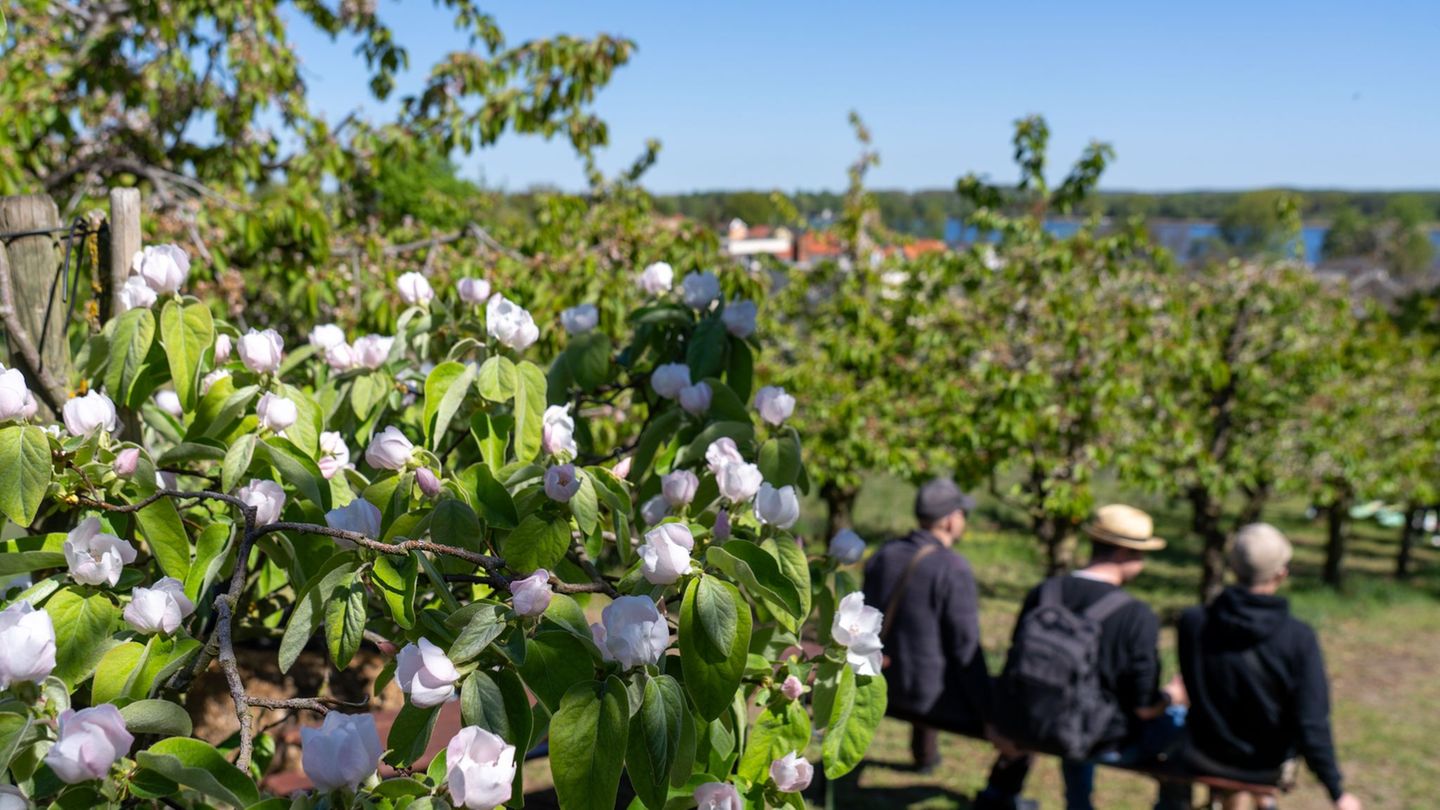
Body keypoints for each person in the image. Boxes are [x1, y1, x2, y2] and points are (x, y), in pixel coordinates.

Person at [977, 504, 1188, 810]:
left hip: (1029, 721)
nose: (1143, 563)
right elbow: (1143, 708)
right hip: (1096, 738)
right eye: (1141, 554)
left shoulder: (1045, 592)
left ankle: (1063, 802)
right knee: (1180, 722)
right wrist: (1172, 695)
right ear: (1122, 553)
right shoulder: (1136, 615)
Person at [1176, 523, 1363, 810]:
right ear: (1281, 574)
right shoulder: (1297, 638)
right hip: (1262, 765)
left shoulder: (1193, 622)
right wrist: (1337, 791)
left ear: (1232, 568)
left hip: (1203, 753)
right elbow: (1311, 723)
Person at [861, 477, 991, 773]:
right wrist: (988, 707)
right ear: (949, 520)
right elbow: (965, 646)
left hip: (881, 680)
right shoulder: (952, 567)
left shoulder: (884, 554)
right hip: (925, 697)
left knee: (922, 652)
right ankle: (1001, 793)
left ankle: (926, 756)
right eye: (962, 513)